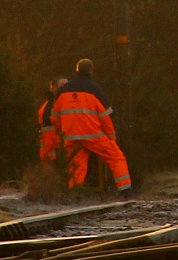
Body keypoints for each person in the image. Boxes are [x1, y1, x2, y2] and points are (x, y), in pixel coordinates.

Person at [51, 58, 133, 200]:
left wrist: (62, 133)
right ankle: (125, 190)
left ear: (77, 70)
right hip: (93, 135)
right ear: (91, 71)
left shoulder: (63, 91)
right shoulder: (95, 89)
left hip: (71, 136)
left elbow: (54, 117)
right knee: (116, 158)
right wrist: (111, 137)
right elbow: (105, 117)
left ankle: (75, 194)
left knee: (76, 166)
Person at [37, 76, 69, 165]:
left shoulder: (47, 105)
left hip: (50, 151)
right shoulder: (54, 105)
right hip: (55, 150)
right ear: (54, 87)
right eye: (63, 85)